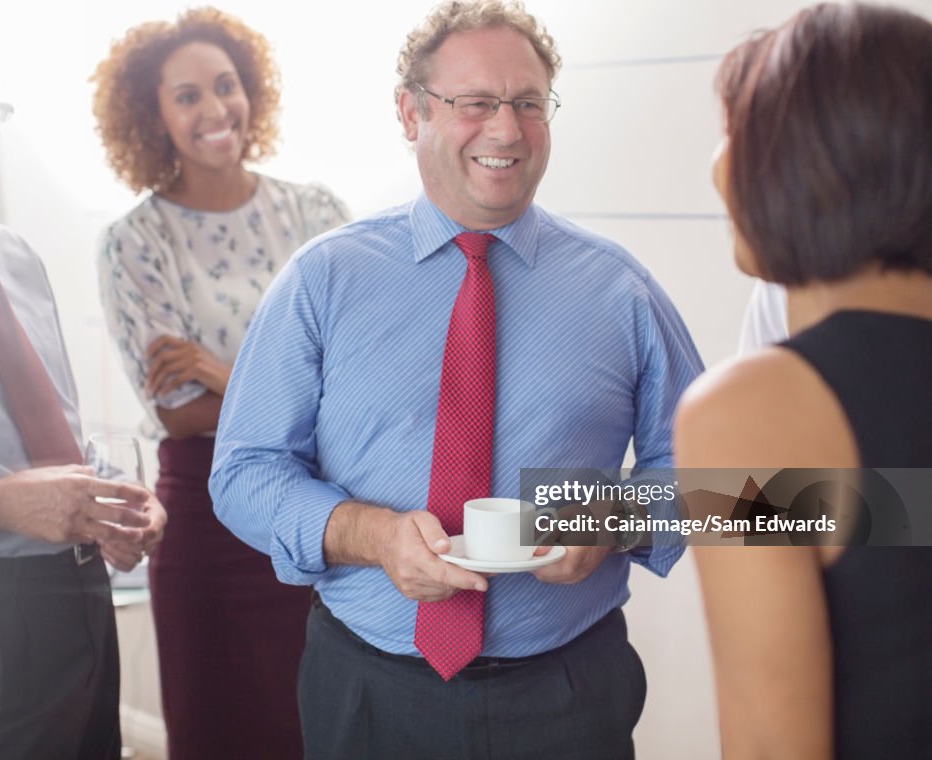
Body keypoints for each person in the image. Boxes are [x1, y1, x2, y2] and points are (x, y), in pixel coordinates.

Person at [210, 1, 703, 758]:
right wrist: (370, 536)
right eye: (474, 103)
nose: (505, 130)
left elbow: (708, 482)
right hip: (369, 692)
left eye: (528, 104)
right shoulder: (323, 281)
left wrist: (611, 519)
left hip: (568, 691)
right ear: (410, 113)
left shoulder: (621, 292)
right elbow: (245, 472)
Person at [675, 3, 932, 758]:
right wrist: (559, 514)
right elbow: (876, 507)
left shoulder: (753, 407)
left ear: (811, 162)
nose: (718, 168)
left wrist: (557, 515)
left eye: (737, 134)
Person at [0, 7, 166, 759]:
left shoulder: (12, 257)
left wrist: (120, 493)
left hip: (80, 609)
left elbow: (56, 434)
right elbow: (9, 489)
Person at [92, 7, 350, 759]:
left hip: (322, 506)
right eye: (187, 96)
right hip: (208, 525)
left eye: (226, 86)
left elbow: (355, 379)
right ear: (153, 116)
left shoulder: (315, 215)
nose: (215, 110)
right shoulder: (134, 243)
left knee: (327, 725)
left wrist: (213, 365)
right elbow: (178, 416)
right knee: (220, 730)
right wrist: (295, 382)